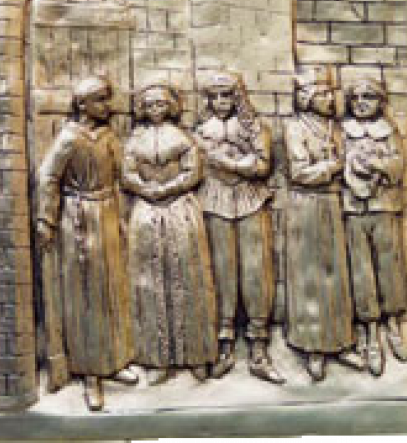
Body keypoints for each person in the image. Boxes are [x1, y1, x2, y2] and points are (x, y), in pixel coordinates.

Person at [36, 76, 137, 412]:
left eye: (108, 99)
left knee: (112, 290)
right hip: (78, 218)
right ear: (82, 104)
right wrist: (47, 219)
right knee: (86, 296)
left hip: (107, 214)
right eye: (101, 100)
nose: (108, 106)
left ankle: (114, 361)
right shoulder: (69, 138)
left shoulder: (108, 136)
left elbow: (124, 174)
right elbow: (48, 178)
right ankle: (90, 373)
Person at [122, 81, 218, 386]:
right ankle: (157, 358)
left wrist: (168, 188)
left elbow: (193, 172)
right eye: (150, 105)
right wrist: (145, 188)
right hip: (146, 210)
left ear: (171, 106)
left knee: (188, 277)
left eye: (161, 104)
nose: (155, 110)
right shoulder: (135, 140)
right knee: (149, 282)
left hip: (179, 209)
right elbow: (127, 173)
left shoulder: (182, 137)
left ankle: (196, 354)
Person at [195, 72, 284, 385]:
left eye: (227, 96)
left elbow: (262, 164)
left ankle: (259, 347)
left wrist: (231, 164)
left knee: (256, 271)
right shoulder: (200, 130)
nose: (221, 102)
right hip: (214, 200)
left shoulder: (253, 126)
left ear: (237, 97)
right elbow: (196, 165)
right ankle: (224, 343)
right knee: (223, 272)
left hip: (250, 199)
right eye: (215, 96)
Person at [284, 67, 365, 381]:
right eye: (323, 94)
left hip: (332, 202)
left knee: (336, 273)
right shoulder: (295, 128)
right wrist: (333, 166)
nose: (330, 99)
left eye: (331, 93)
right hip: (306, 204)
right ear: (307, 98)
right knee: (309, 275)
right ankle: (313, 347)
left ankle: (340, 341)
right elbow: (299, 172)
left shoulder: (336, 127)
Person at [342, 78, 407, 376]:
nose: (361, 102)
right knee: (361, 269)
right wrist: (354, 167)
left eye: (368, 97)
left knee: (389, 266)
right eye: (355, 97)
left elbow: (398, 165)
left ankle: (392, 323)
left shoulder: (388, 130)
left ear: (380, 101)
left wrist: (377, 165)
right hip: (354, 208)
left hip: (384, 206)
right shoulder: (343, 130)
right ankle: (369, 331)